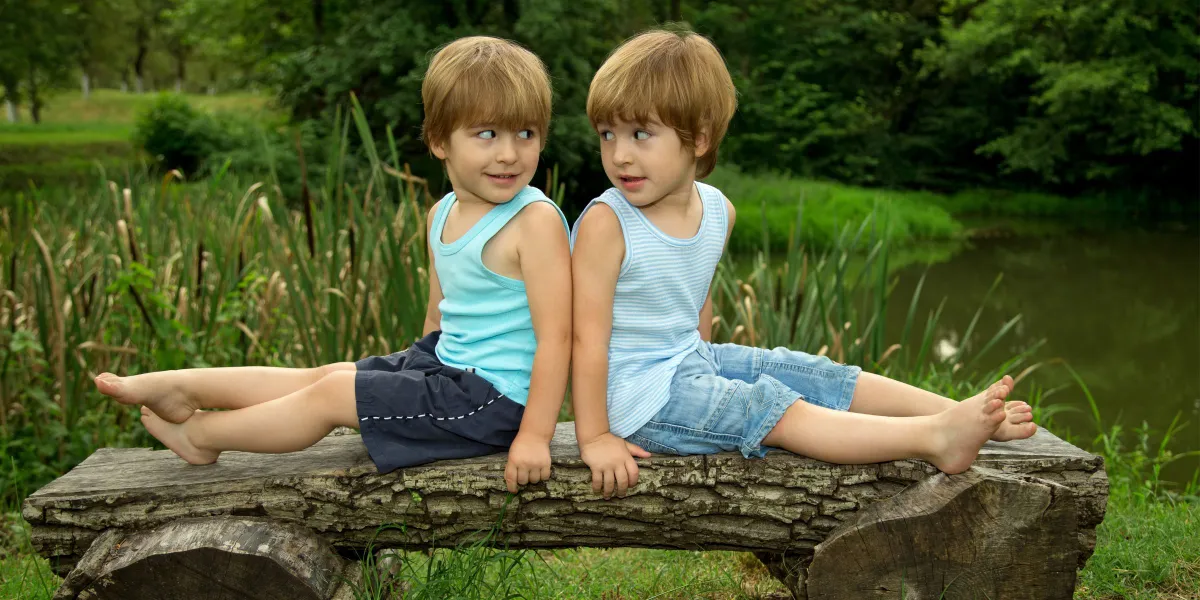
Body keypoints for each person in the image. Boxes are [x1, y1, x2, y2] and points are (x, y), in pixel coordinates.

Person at [569, 29, 1037, 499]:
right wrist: (596, 437)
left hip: (691, 363)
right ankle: (935, 438)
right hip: (638, 402)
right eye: (607, 134)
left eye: (640, 134)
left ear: (700, 139)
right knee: (767, 407)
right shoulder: (607, 223)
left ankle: (956, 412)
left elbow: (696, 303)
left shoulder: (717, 211)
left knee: (804, 370)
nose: (619, 155)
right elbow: (585, 340)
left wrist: (710, 377)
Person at [94, 36, 573, 494]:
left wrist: (534, 436)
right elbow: (439, 318)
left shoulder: (534, 221)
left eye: (525, 134)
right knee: (328, 375)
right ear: (439, 141)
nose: (509, 153)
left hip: (497, 404)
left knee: (332, 395)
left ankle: (201, 437)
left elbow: (557, 338)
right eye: (487, 134)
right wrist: (408, 377)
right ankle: (184, 388)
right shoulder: (441, 213)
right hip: (448, 371)